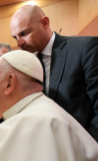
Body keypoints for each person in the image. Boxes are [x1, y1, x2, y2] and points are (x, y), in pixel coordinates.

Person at [10, 5, 98, 142]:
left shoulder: (85, 49)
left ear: (44, 23)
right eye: (15, 37)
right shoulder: (28, 67)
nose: (19, 43)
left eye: (24, 33)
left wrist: (87, 151)